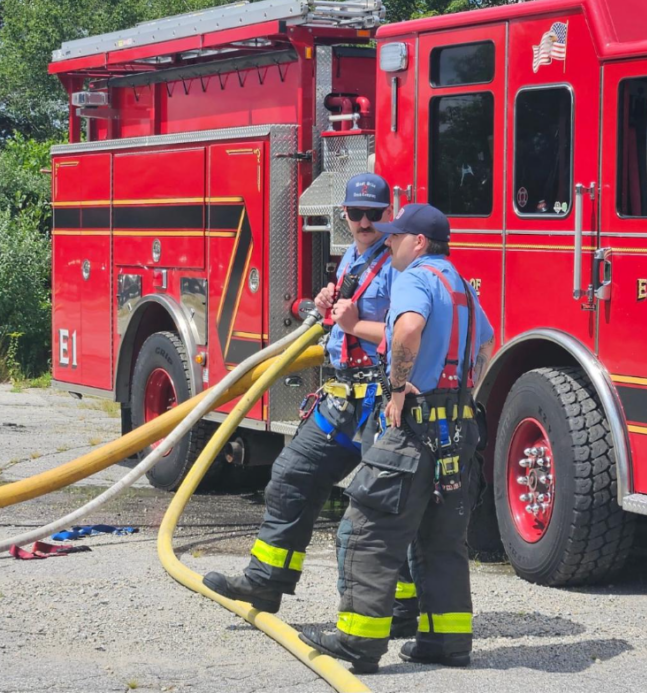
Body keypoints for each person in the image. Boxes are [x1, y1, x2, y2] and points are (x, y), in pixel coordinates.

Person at [204, 174, 414, 627]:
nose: (364, 222)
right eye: (355, 214)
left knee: (380, 505)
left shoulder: (399, 265)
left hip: (381, 401)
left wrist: (355, 325)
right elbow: (343, 317)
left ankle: (398, 607)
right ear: (343, 215)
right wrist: (327, 303)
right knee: (290, 475)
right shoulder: (350, 260)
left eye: (374, 214)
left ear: (387, 216)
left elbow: (407, 338)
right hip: (342, 398)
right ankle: (266, 580)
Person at [300, 203, 495, 674]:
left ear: (419, 242)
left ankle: (357, 643)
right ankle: (446, 642)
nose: (388, 243)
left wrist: (396, 388)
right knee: (441, 538)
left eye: (395, 237)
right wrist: (459, 395)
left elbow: (407, 329)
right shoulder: (462, 287)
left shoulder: (417, 278)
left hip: (415, 428)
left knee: (365, 529)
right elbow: (487, 344)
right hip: (458, 430)